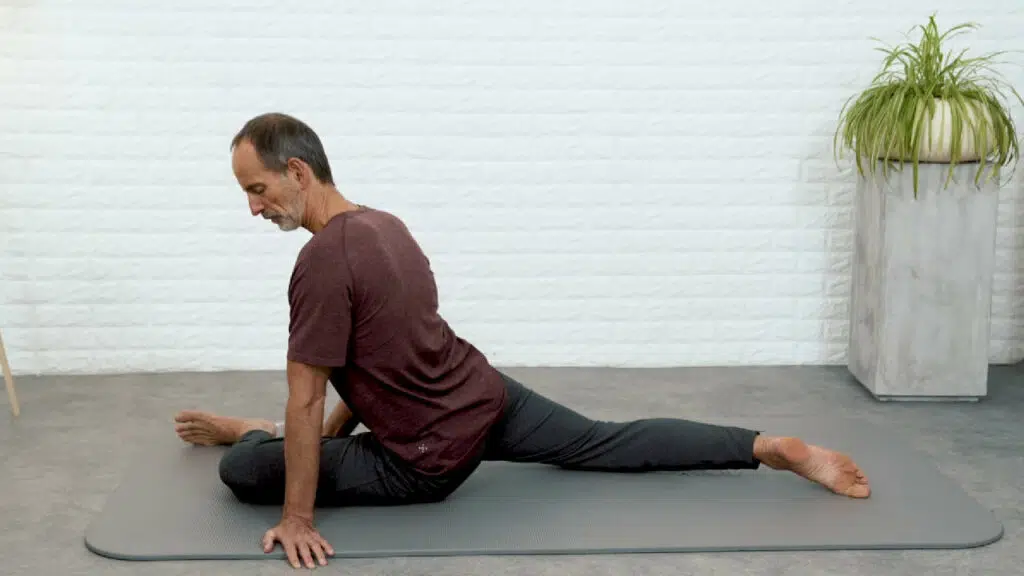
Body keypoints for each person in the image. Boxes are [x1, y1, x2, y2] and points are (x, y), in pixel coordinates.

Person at [173, 112, 871, 570]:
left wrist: (297, 516)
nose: (253, 208)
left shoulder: (320, 262)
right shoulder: (386, 225)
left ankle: (246, 433)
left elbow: (306, 399)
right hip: (486, 397)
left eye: (258, 189)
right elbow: (374, 361)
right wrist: (326, 441)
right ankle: (764, 446)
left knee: (241, 472)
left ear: (298, 171)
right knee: (606, 440)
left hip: (424, 459)